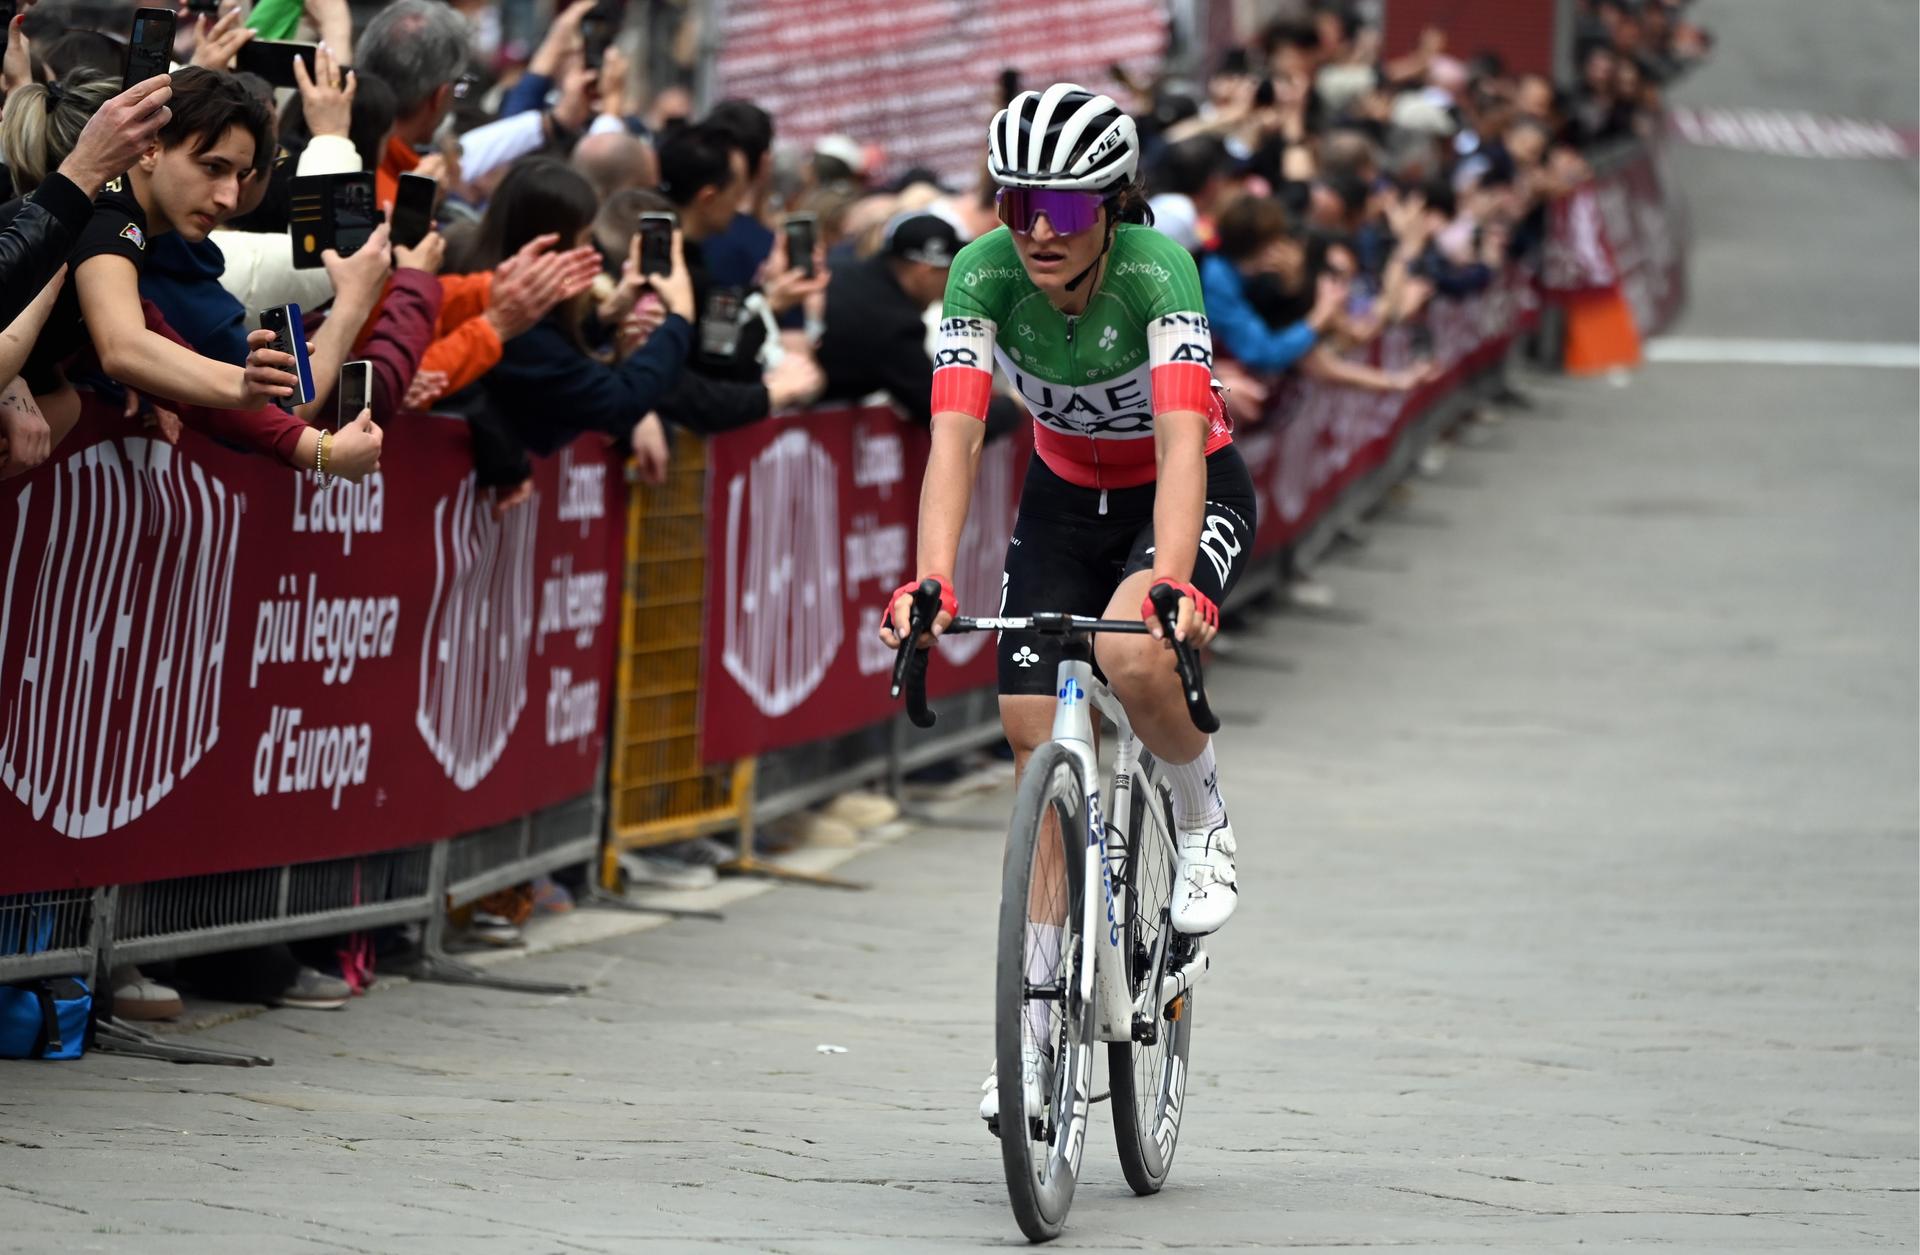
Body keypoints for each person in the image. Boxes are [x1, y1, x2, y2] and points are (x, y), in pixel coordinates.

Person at [879, 84, 1258, 1126]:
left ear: (1115, 204)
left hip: (1183, 488)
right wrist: (930, 577)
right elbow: (952, 436)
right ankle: (1037, 1030)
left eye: (1067, 208)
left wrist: (1174, 581)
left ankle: (1203, 818)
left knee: (1132, 652)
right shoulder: (980, 273)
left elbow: (1183, 440)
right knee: (1026, 730)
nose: (1039, 231)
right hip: (1061, 500)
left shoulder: (1157, 271)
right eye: (1018, 205)